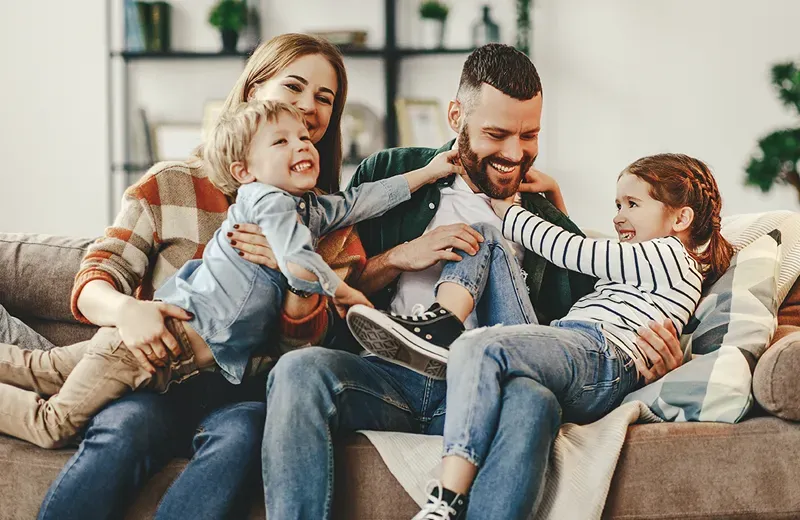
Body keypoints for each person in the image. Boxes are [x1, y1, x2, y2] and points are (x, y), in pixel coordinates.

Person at [261, 43, 689, 520]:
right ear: (455, 116)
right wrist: (399, 257)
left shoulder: (544, 219)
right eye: (496, 133)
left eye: (529, 135)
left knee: (534, 399)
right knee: (299, 373)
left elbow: (587, 334)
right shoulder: (390, 172)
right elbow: (335, 283)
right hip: (390, 376)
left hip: (486, 388)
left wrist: (660, 358)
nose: (514, 153)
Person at [28, 33, 361, 520]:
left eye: (324, 98)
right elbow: (96, 278)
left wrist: (289, 269)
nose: (309, 106)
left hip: (242, 391)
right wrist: (128, 310)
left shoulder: (326, 223)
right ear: (253, 91)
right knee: (123, 430)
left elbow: (304, 358)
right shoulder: (171, 181)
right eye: (294, 87)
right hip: (154, 378)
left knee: (242, 438)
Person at [0, 99, 461, 449]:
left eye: (305, 137)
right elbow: (297, 257)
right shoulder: (267, 200)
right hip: (150, 345)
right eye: (281, 141)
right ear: (245, 171)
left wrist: (428, 171)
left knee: (41, 367)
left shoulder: (307, 207)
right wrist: (345, 293)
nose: (302, 145)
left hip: (165, 357)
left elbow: (364, 199)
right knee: (52, 425)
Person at [393, 152, 733, 519]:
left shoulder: (669, 254)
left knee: (479, 345)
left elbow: (574, 252)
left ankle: (445, 499)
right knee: (485, 240)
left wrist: (508, 209)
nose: (618, 216)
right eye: (617, 204)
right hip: (569, 347)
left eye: (632, 204)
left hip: (599, 354)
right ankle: (442, 322)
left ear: (682, 218)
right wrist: (553, 194)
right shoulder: (643, 265)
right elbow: (589, 264)